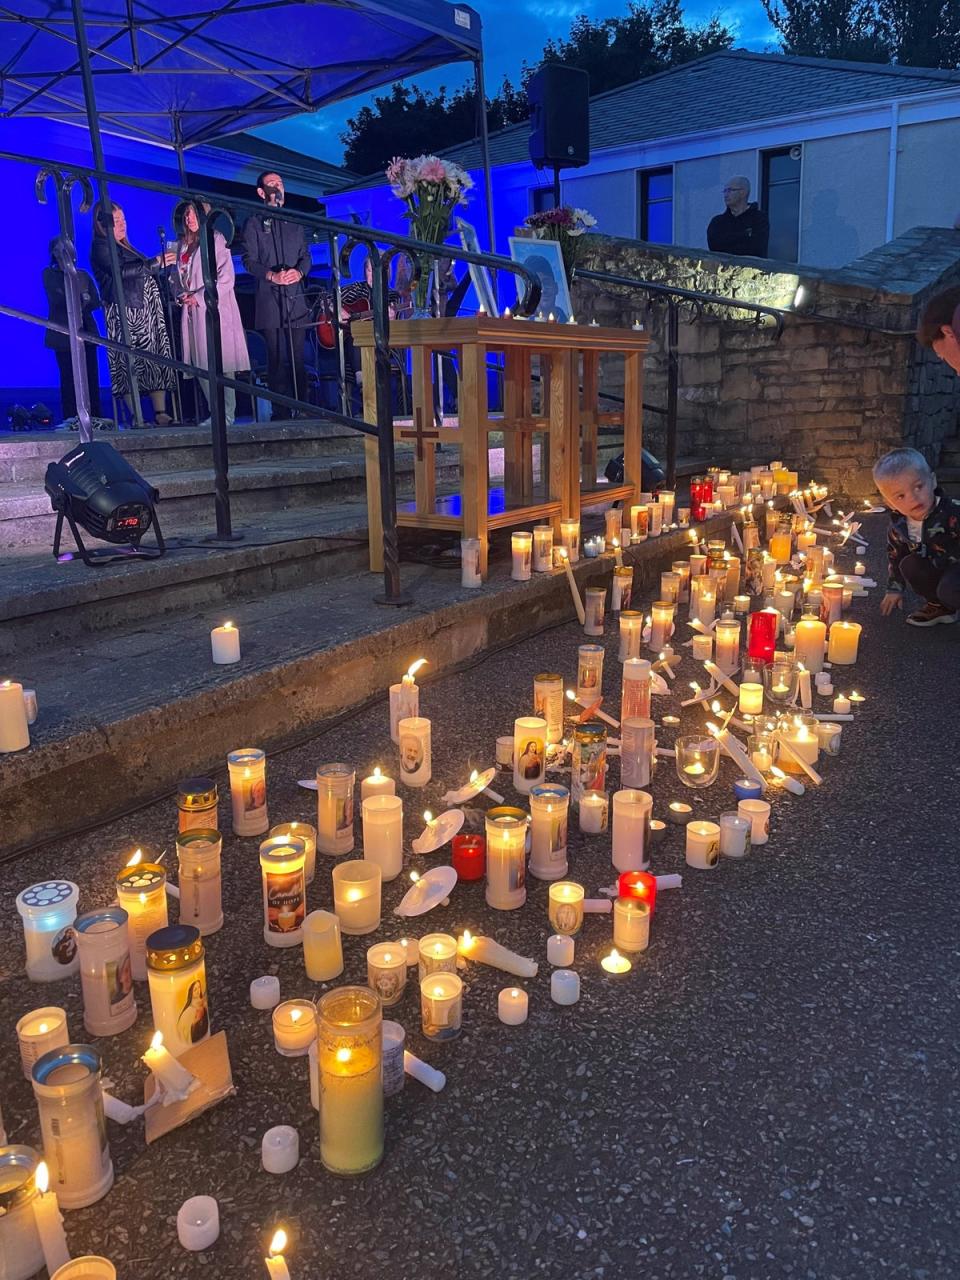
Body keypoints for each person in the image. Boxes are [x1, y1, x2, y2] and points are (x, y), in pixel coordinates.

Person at [90, 201, 177, 426]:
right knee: (128, 363)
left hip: (146, 309)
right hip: (125, 311)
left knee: (154, 359)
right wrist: (155, 262)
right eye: (116, 221)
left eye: (123, 220)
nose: (122, 225)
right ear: (103, 224)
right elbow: (120, 273)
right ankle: (136, 416)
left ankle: (160, 413)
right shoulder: (101, 246)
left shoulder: (126, 246)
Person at [240, 171, 310, 417]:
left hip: (295, 299)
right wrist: (272, 275)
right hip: (270, 298)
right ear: (261, 192)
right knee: (277, 359)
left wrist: (299, 273)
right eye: (272, 184)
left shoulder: (295, 220)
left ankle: (303, 408)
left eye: (280, 183)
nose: (277, 187)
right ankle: (280, 411)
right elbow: (249, 259)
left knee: (297, 358)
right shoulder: (255, 222)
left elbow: (306, 256)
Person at [174, 201, 250, 428]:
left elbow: (226, 277)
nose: (189, 219)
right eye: (186, 214)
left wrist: (198, 296)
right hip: (192, 313)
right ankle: (215, 413)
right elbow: (176, 277)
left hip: (215, 308)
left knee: (221, 362)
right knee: (201, 362)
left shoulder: (216, 239)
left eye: (193, 214)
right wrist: (181, 294)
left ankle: (227, 414)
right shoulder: (182, 244)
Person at [873, 448, 960, 627]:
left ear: (933, 481)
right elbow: (895, 558)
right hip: (936, 568)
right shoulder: (899, 527)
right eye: (900, 496)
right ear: (890, 503)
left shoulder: (953, 513)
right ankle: (940, 606)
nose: (913, 498)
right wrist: (894, 589)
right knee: (909, 564)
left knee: (950, 589)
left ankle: (949, 598)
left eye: (919, 487)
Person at [42, 240, 103, 421]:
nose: (64, 250)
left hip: (86, 332)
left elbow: (95, 301)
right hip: (63, 334)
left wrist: (84, 299)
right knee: (68, 378)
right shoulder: (49, 274)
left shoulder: (83, 275)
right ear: (53, 252)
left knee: (91, 377)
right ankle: (71, 417)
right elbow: (57, 298)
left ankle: (95, 416)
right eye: (59, 247)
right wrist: (81, 297)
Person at [707, 177, 769, 258]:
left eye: (730, 190)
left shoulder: (759, 219)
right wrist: (744, 235)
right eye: (725, 191)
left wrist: (728, 240)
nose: (726, 195)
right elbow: (715, 249)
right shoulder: (717, 222)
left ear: (743, 192)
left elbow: (756, 249)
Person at [522, 254, 568, 323]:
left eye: (547, 283)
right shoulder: (524, 324)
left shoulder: (568, 321)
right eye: (537, 285)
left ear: (556, 288)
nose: (543, 290)